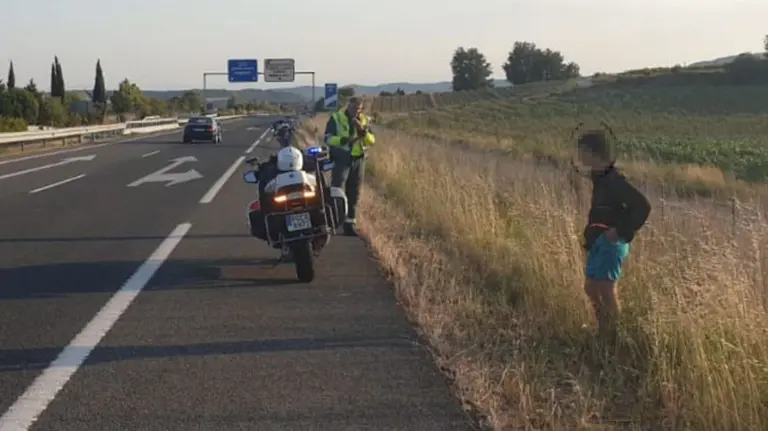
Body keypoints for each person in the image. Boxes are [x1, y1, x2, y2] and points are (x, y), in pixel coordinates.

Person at [577, 129, 651, 337]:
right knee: (591, 287)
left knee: (606, 289)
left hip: (612, 242)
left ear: (593, 153)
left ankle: (613, 335)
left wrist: (619, 231)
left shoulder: (615, 181)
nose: (579, 156)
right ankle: (603, 328)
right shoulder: (600, 178)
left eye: (581, 151)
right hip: (599, 240)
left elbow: (642, 206)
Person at [324, 97, 376, 236]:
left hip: (358, 160)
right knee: (337, 190)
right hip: (342, 158)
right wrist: (343, 140)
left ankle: (349, 223)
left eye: (359, 109)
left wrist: (363, 131)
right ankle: (332, 221)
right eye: (354, 108)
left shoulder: (364, 120)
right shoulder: (337, 118)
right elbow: (328, 139)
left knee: (354, 192)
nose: (356, 112)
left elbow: (372, 140)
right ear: (348, 106)